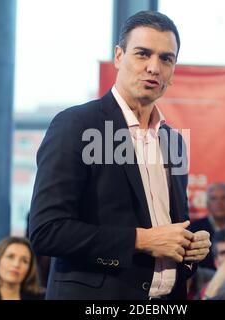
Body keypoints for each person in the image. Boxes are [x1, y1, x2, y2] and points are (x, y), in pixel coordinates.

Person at [29, 10, 210, 300]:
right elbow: (47, 231)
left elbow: (173, 230)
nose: (154, 67)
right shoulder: (76, 125)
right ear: (118, 56)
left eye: (166, 58)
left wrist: (189, 247)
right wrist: (142, 239)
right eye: (142, 54)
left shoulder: (173, 141)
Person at [190, 182, 225, 269]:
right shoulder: (194, 230)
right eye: (214, 198)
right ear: (207, 204)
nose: (219, 203)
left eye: (224, 198)